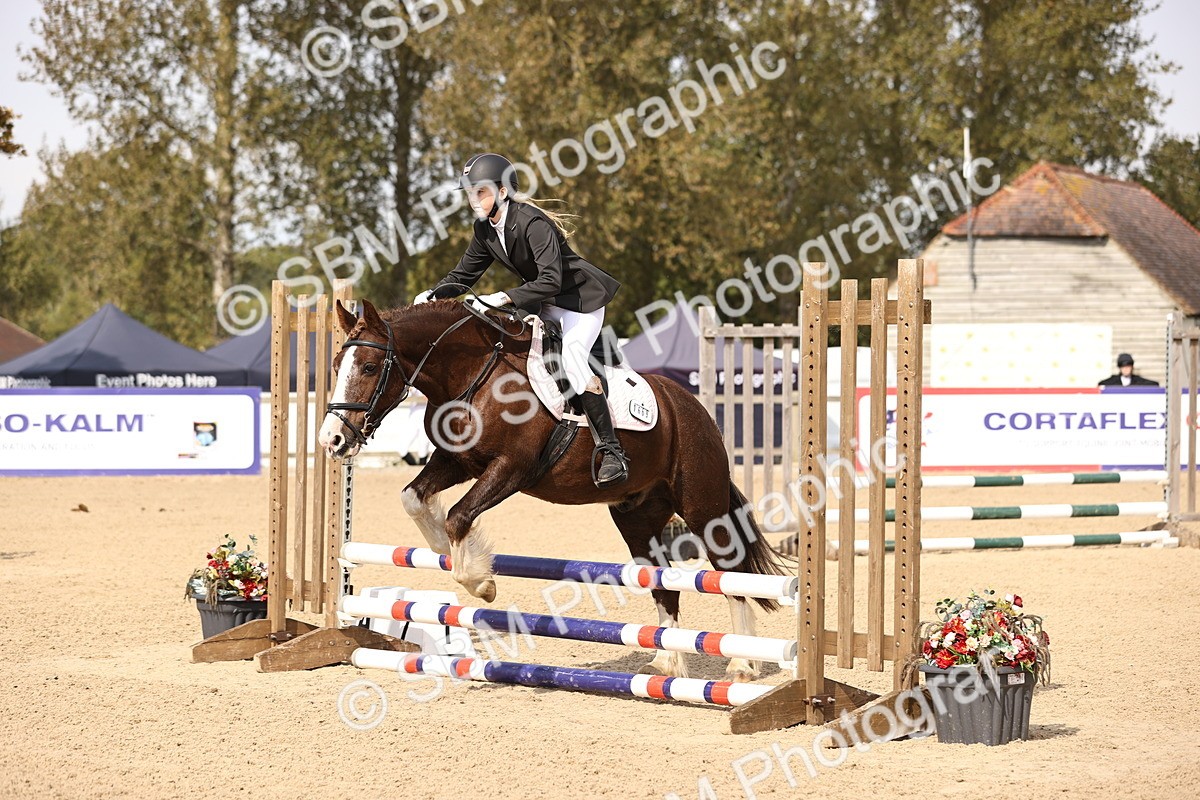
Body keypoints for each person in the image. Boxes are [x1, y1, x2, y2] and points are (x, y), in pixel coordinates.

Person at [414, 153, 629, 487]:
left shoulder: (532, 222)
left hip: (578, 303)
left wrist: (502, 297)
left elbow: (551, 280)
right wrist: (433, 294)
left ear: (502, 192)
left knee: (571, 360)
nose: (474, 200)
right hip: (542, 303)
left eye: (480, 191)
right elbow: (464, 275)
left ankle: (612, 451)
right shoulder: (484, 229)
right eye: (470, 193)